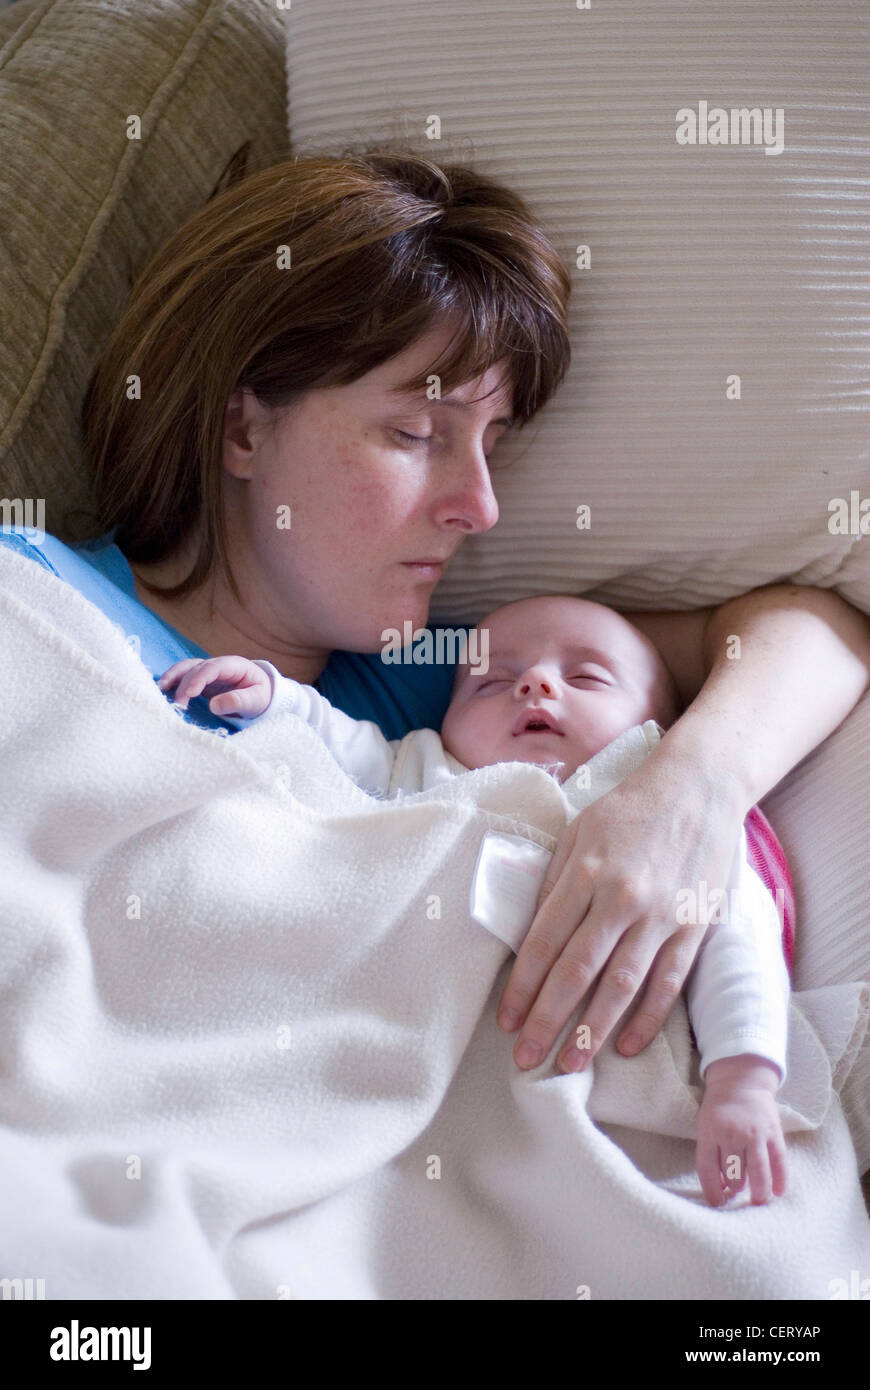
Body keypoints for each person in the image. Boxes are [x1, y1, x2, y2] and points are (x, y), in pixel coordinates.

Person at [2, 149, 868, 1128]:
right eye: (419, 434)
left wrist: (690, 795)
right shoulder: (33, 595)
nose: (482, 507)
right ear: (242, 429)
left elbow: (810, 626)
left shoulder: (457, 692)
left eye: (493, 445)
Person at [158, 592, 791, 1207]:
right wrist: (272, 696)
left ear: (666, 728)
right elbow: (341, 742)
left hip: (605, 1076)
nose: (536, 683)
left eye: (589, 678)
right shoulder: (433, 769)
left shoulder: (672, 821)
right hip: (416, 1059)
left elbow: (739, 937)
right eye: (490, 683)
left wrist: (742, 1078)